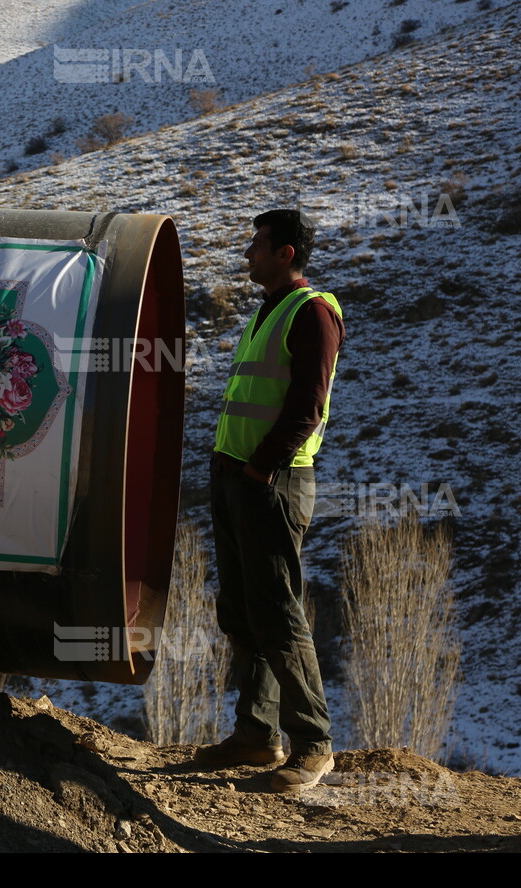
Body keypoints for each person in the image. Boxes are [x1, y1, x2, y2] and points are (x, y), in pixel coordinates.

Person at [196, 209, 344, 793]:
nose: (247, 254)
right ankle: (256, 735)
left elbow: (308, 406)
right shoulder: (269, 310)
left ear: (286, 253)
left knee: (279, 613)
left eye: (257, 244)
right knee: (241, 610)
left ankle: (314, 745)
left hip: (273, 483)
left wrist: (260, 468)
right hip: (237, 479)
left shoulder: (313, 311)